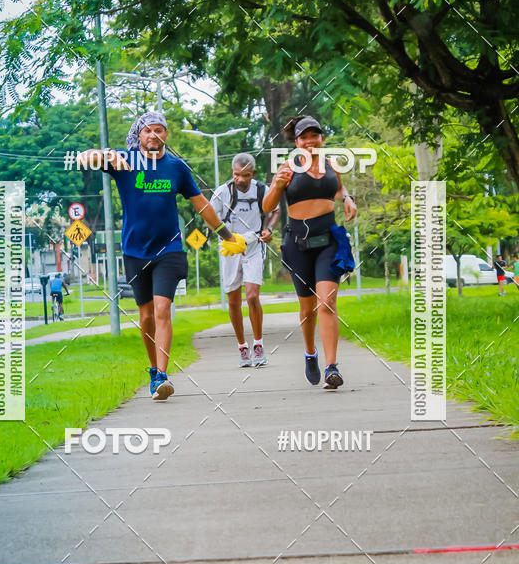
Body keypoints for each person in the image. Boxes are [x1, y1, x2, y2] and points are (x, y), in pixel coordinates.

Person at [78, 112, 243, 400]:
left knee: (162, 309)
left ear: (166, 134)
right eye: (148, 130)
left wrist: (224, 233)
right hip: (134, 250)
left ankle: (164, 376)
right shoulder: (124, 160)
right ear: (139, 135)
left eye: (160, 130)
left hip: (169, 248)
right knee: (145, 317)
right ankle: (153, 370)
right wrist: (105, 155)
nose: (154, 135)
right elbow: (83, 158)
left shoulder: (176, 168)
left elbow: (201, 204)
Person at [262, 115, 357, 388]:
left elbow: (338, 187)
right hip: (298, 244)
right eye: (304, 137)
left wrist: (348, 198)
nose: (310, 141)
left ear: (322, 139)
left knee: (326, 302)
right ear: (297, 142)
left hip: (328, 241)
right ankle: (310, 352)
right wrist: (278, 184)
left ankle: (332, 367)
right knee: (307, 308)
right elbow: (268, 206)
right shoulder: (287, 168)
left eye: (314, 135)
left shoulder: (331, 164)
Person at [211, 153, 280, 367]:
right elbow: (211, 219)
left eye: (246, 175)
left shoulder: (262, 190)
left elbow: (275, 211)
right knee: (233, 299)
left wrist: (268, 229)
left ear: (254, 174)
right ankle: (242, 347)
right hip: (230, 247)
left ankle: (258, 344)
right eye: (237, 175)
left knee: (251, 296)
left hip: (253, 245)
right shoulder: (223, 192)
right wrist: (228, 237)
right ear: (232, 173)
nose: (241, 179)